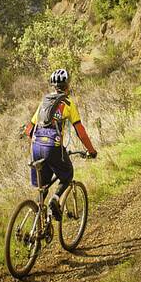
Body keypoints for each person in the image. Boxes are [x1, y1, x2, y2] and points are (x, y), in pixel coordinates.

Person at [24, 68, 97, 220]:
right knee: (67, 174)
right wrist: (91, 150)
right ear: (67, 85)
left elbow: (29, 129)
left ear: (53, 86)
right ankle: (55, 199)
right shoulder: (68, 104)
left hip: (36, 147)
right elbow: (80, 132)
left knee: (42, 186)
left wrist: (39, 144)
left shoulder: (44, 102)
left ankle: (38, 228)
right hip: (52, 147)